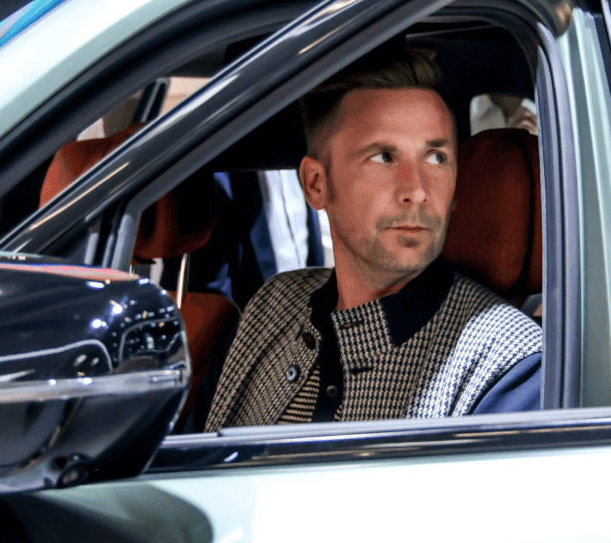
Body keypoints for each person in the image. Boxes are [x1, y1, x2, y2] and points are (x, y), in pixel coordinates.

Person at [205, 41, 543, 428]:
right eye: (383, 157)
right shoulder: (272, 306)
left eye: (436, 157)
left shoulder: (508, 366)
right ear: (316, 184)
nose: (416, 190)